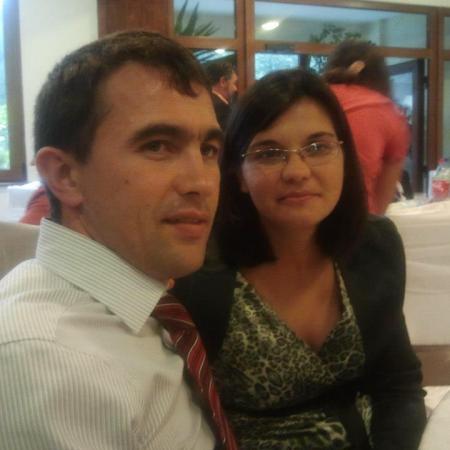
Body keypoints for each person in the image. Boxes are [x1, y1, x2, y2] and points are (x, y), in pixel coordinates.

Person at [173, 69, 426, 449]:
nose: (297, 171)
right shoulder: (201, 273)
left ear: (343, 155)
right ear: (238, 175)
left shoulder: (374, 245)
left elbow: (398, 385)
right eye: (268, 153)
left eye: (318, 147)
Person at [0, 31, 229, 449]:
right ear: (66, 176)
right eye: (157, 146)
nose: (201, 182)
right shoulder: (51, 362)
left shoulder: (141, 302)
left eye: (208, 149)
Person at [323, 40, 410, 214]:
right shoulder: (388, 112)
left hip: (298, 218)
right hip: (354, 218)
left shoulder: (311, 98)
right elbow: (381, 201)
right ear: (381, 77)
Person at [204, 61, 238, 130]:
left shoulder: (202, 101)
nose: (235, 89)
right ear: (223, 82)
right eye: (234, 83)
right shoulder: (222, 109)